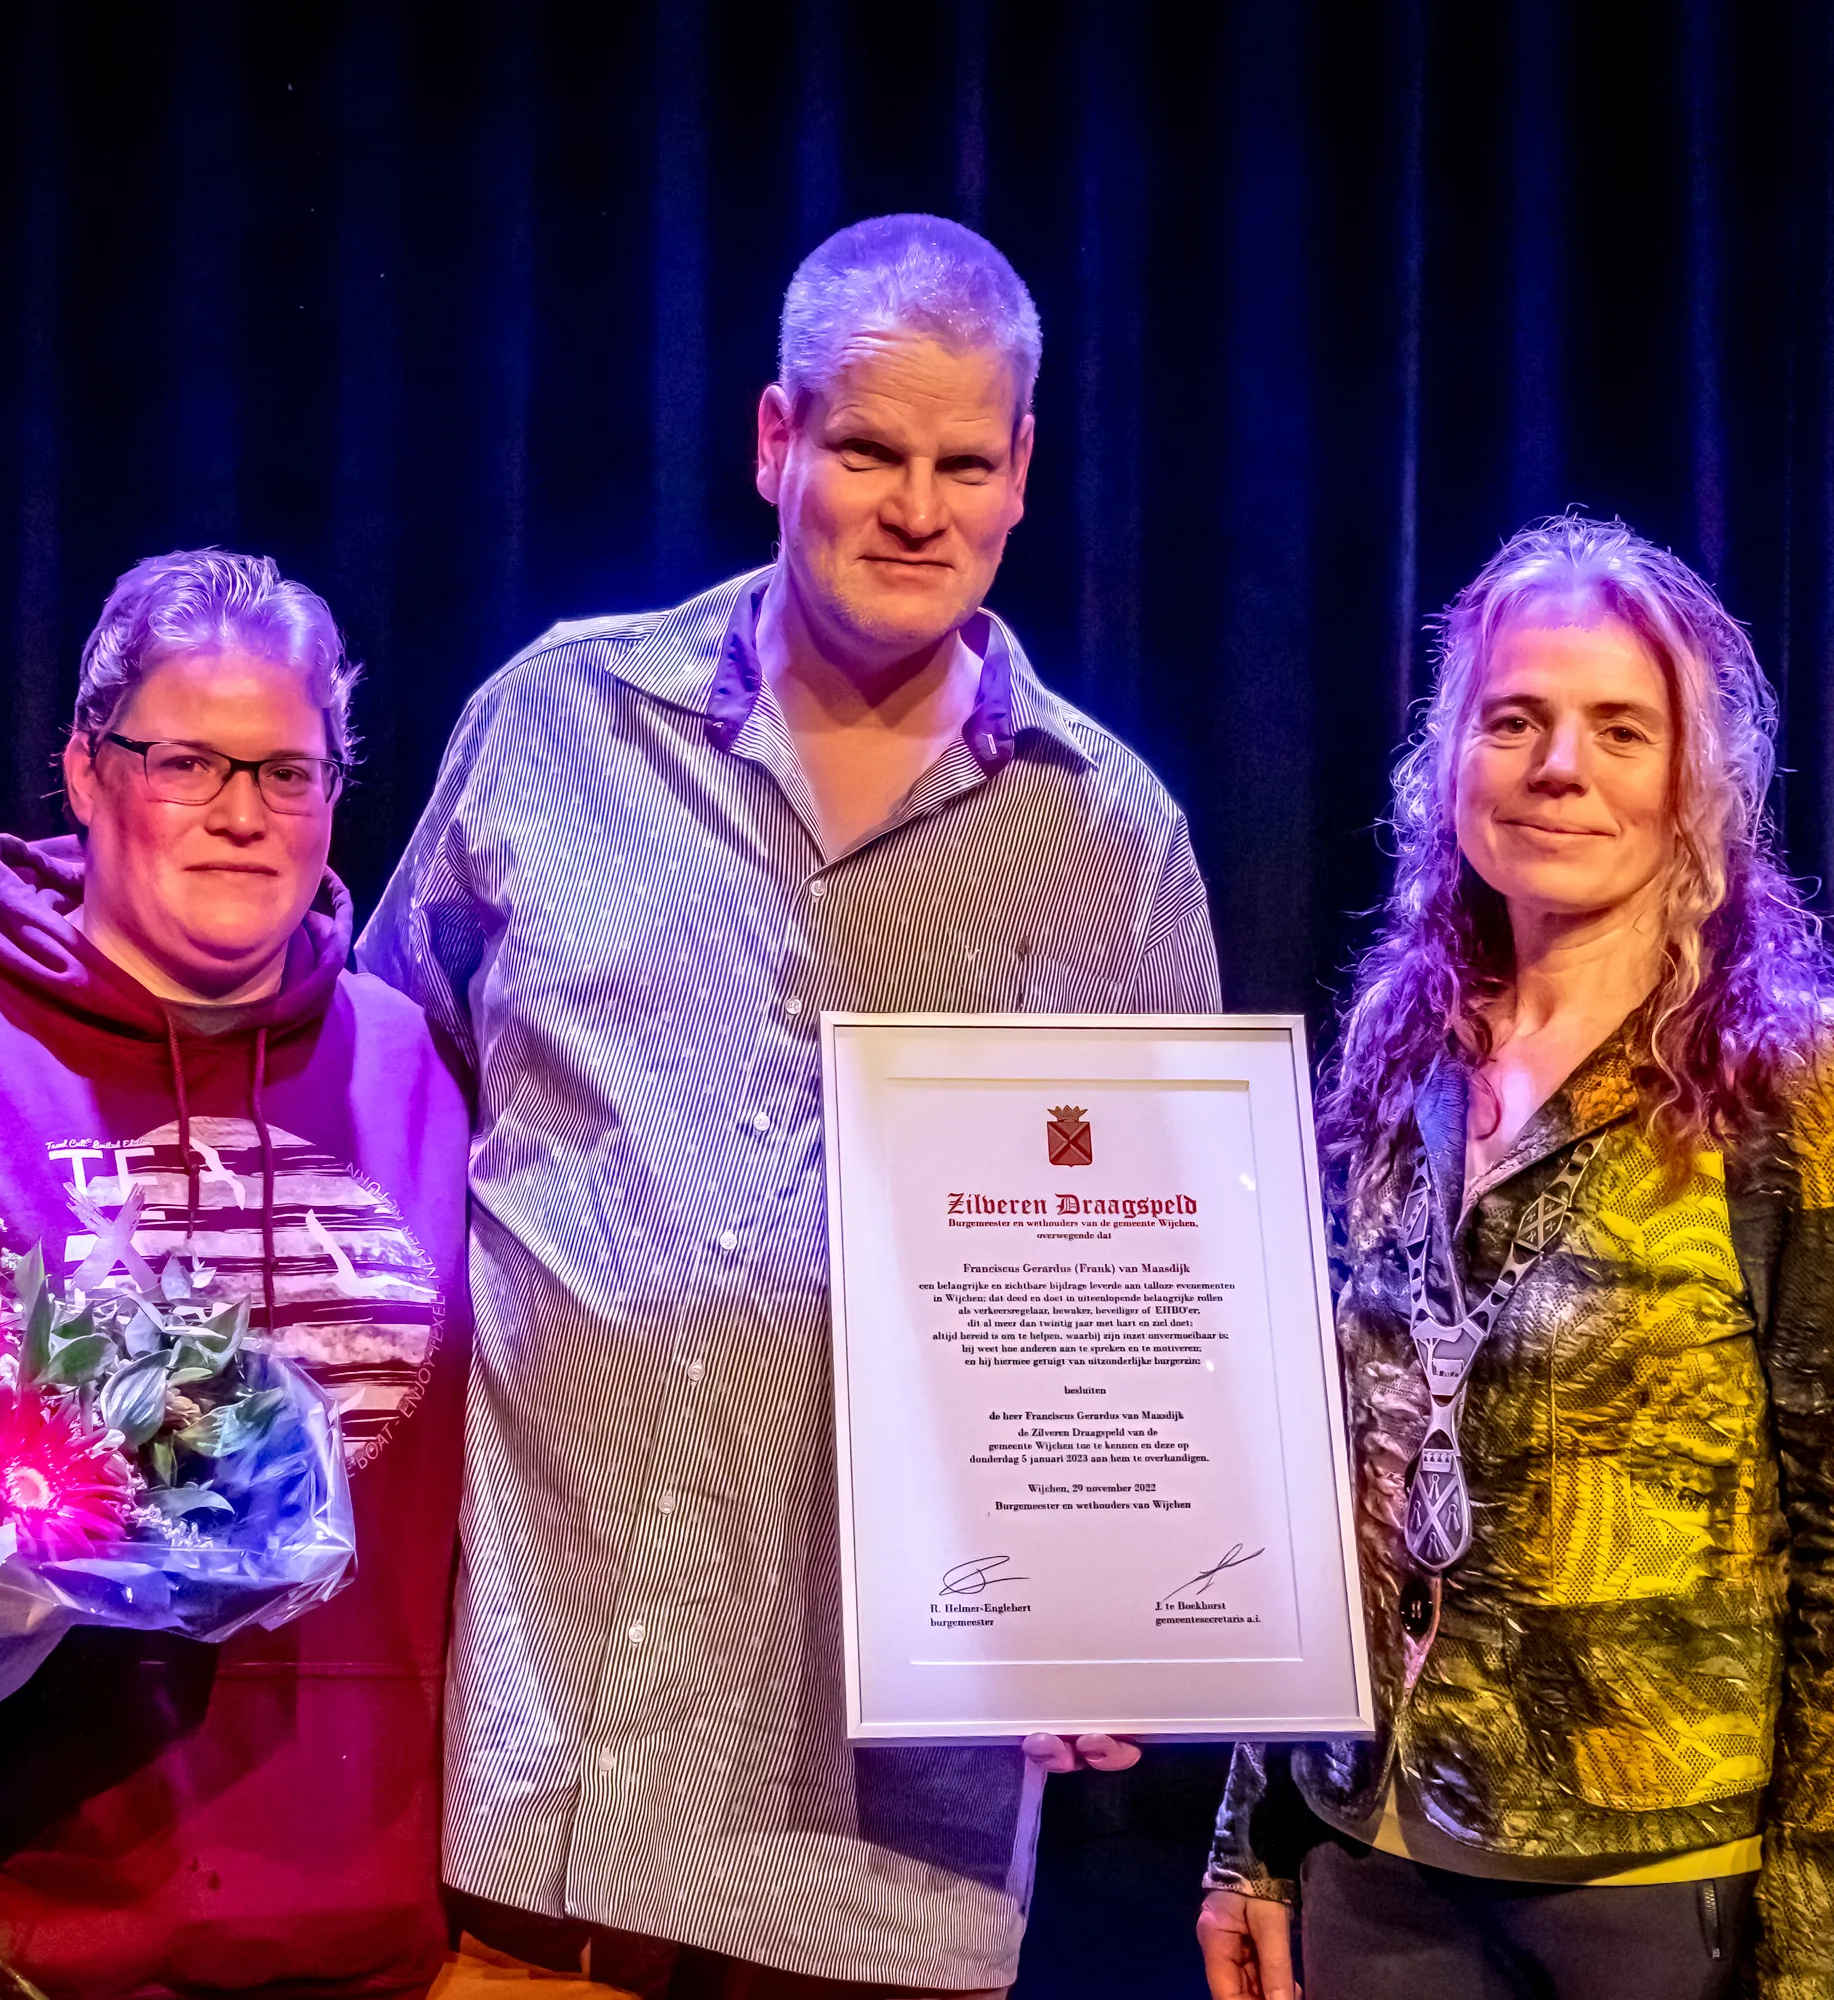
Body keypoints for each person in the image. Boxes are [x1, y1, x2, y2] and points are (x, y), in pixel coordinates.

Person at [358, 213, 1220, 2000]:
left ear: (1022, 472)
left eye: (961, 464)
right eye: (868, 451)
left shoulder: (1111, 837)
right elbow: (381, 1119)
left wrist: (1117, 1602)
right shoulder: (555, 725)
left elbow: (1157, 1305)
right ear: (775, 441)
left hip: (875, 1851)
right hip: (519, 1790)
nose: (916, 509)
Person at [0, 550, 477, 1998]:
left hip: (370, 1942)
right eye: (186, 762)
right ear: (83, 766)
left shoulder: (420, 1069)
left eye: (289, 771)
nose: (243, 813)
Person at [1195, 516, 1834, 2000]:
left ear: (1695, 778)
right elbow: (1331, 1476)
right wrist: (1253, 1840)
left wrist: (1821, 1961)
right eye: (1514, 719)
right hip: (1369, 1863)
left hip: (1652, 1892)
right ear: (1449, 758)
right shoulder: (1399, 1047)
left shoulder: (1802, 1085)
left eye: (1619, 728)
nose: (1558, 766)